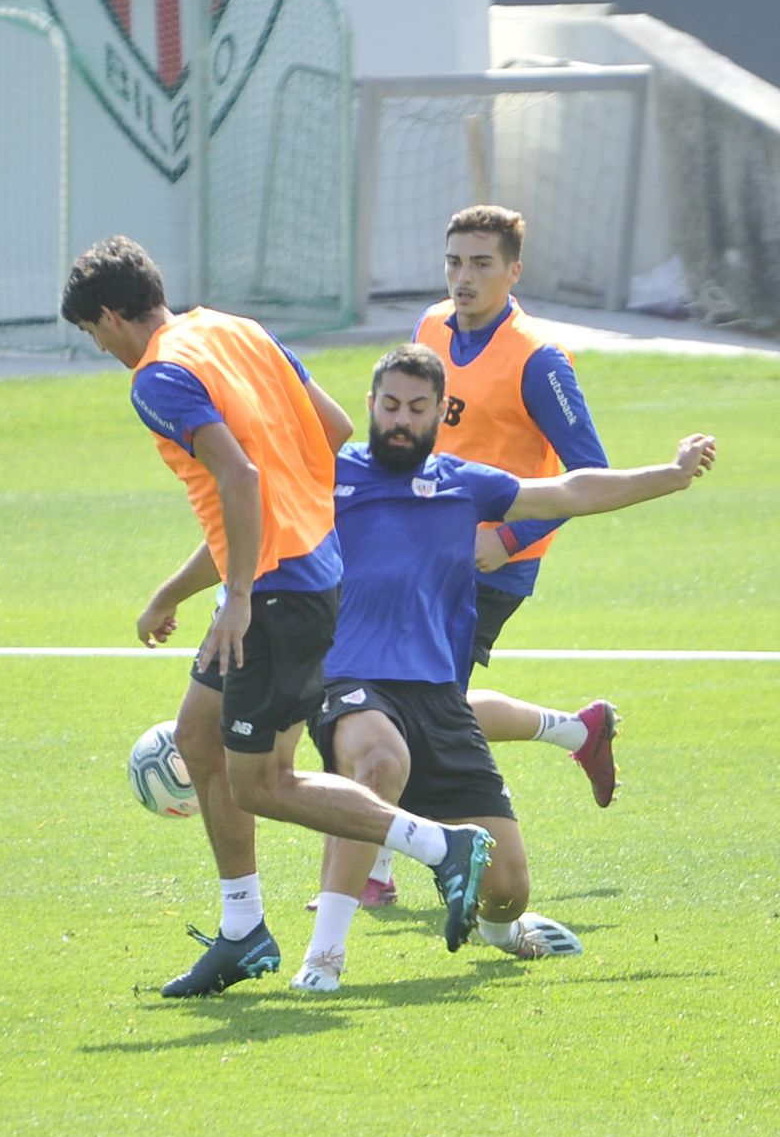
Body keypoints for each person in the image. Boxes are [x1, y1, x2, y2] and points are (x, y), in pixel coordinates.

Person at [60, 236, 501, 996]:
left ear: (108, 315)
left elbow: (237, 472)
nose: (99, 346)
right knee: (200, 738)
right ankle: (243, 932)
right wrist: (183, 589)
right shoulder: (235, 329)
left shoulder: (157, 377)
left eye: (92, 332)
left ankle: (441, 847)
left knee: (262, 783)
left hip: (271, 596)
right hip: (297, 575)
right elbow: (330, 431)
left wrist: (236, 596)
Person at [293, 344, 716, 992]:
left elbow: (571, 488)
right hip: (352, 680)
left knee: (508, 891)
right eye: (389, 405)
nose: (400, 419)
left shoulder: (465, 483)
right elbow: (257, 521)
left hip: (439, 697)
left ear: (438, 414)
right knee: (375, 763)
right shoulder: (332, 477)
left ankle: (497, 929)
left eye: (416, 407)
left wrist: (671, 474)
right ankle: (323, 960)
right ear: (371, 407)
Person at [352, 203, 617, 907]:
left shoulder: (538, 360)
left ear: (513, 271)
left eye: (480, 264)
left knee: (409, 707)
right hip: (418, 555)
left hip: (489, 566)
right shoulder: (432, 327)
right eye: (453, 262)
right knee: (431, 703)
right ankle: (577, 730)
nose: (462, 278)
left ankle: (376, 870)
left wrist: (507, 539)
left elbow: (584, 471)